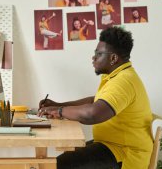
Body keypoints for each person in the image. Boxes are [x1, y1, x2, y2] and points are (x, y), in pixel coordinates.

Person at [38, 27, 153, 169]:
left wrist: (60, 111)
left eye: (98, 54)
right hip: (111, 145)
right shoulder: (116, 76)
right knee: (61, 162)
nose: (93, 57)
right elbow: (95, 101)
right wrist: (58, 105)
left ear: (113, 58)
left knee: (60, 165)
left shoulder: (124, 81)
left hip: (125, 154)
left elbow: (92, 114)